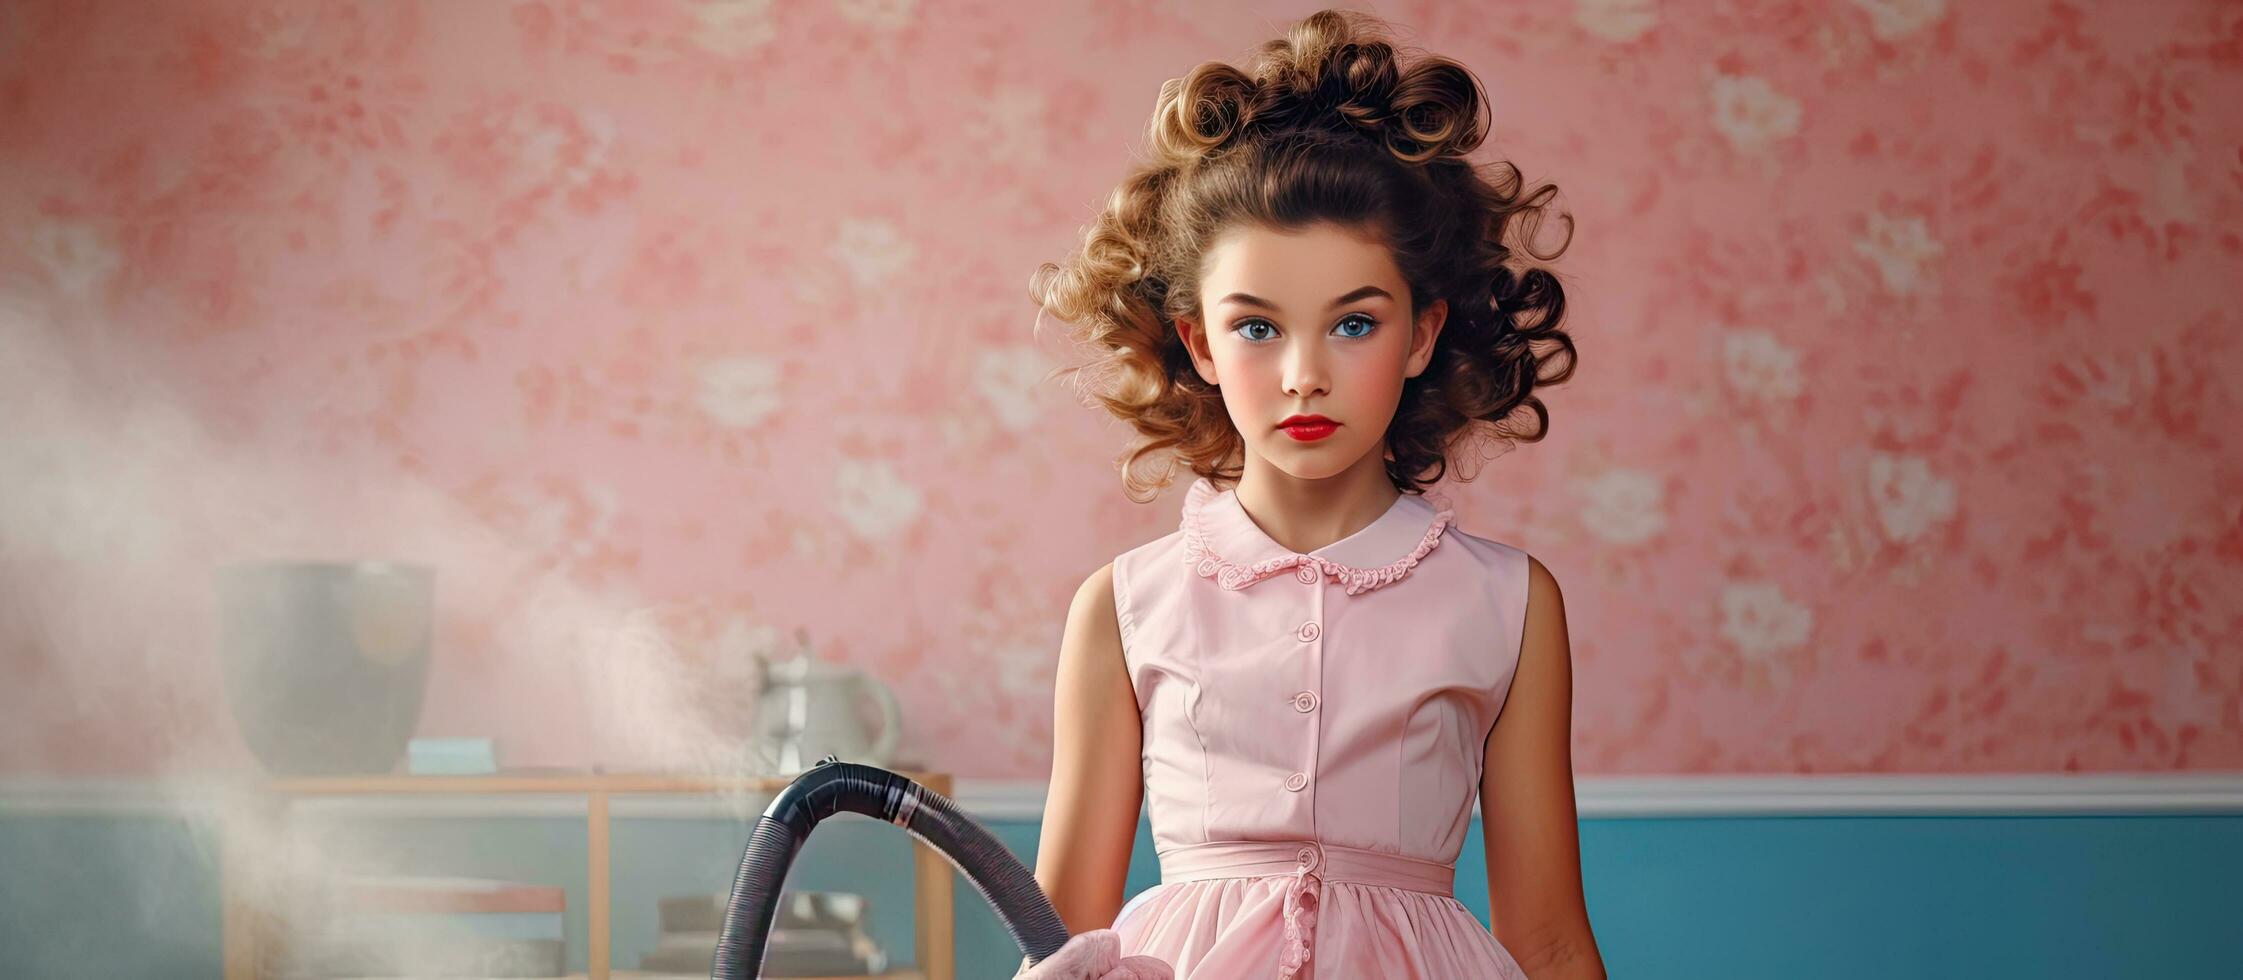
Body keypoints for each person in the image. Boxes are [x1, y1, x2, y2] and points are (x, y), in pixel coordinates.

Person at [1024, 9, 1607, 978]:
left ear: (1420, 335)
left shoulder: (1508, 603)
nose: (1302, 375)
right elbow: (1055, 935)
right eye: (1256, 328)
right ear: (1199, 342)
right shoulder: (1122, 608)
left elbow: (1545, 938)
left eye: (1352, 324)